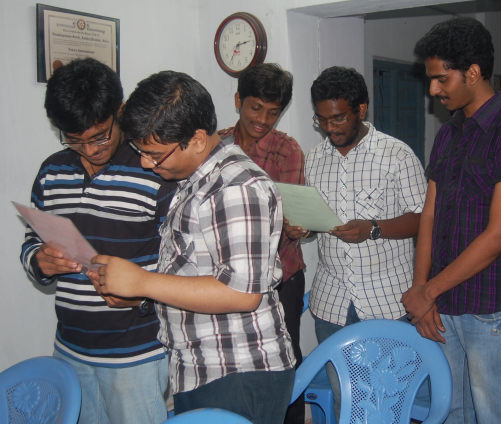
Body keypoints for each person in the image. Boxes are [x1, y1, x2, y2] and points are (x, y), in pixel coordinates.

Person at [87, 71, 296, 424]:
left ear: (197, 140)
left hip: (237, 371)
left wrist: (142, 282)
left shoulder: (235, 187)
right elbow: (195, 269)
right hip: (202, 367)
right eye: (141, 152)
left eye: (154, 154)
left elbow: (242, 293)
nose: (145, 163)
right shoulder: (198, 179)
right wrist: (140, 294)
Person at [402, 17, 501, 423]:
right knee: (451, 411)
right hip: (442, 305)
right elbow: (430, 214)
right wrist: (421, 290)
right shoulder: (449, 134)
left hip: (488, 309)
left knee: (495, 414)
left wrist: (429, 291)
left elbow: (499, 235)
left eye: (441, 79)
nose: (433, 89)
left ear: (474, 72)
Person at [19, 58, 174, 424]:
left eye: (100, 136)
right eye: (75, 140)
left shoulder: (154, 170)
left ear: (119, 111)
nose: (90, 150)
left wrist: (141, 294)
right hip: (70, 350)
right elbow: (31, 241)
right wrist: (39, 260)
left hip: (136, 354)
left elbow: (182, 260)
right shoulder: (52, 172)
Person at [287, 66, 427, 419]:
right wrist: (304, 229)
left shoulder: (397, 155)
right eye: (322, 120)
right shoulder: (315, 159)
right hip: (332, 301)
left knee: (387, 396)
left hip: (387, 300)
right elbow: (317, 220)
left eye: (338, 118)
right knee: (344, 393)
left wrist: (374, 229)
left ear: (361, 110)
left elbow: (423, 218)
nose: (330, 128)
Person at [217, 63, 306, 423]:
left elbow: (291, 215)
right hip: (226, 278)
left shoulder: (287, 151)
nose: (263, 120)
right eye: (256, 108)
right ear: (238, 100)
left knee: (285, 362)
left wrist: (298, 228)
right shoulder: (215, 146)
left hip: (281, 278)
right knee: (235, 363)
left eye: (273, 112)